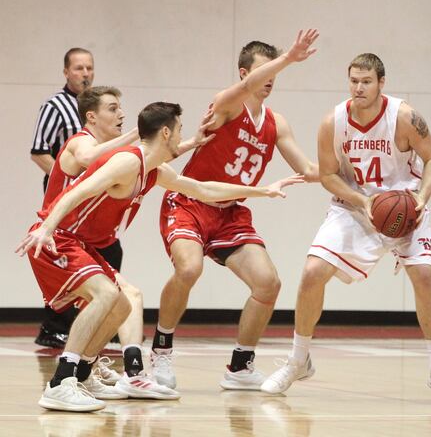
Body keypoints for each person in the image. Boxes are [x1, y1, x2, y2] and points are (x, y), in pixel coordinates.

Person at [17, 100, 305, 412]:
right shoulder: (126, 162)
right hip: (59, 237)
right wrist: (45, 227)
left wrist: (263, 190)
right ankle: (61, 382)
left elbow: (201, 188)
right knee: (105, 294)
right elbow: (76, 192)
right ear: (165, 132)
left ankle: (83, 375)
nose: (183, 137)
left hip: (82, 244)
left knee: (122, 304)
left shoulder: (154, 170)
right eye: (180, 130)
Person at [260, 52, 431, 396]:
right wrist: (363, 201)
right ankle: (298, 360)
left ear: (382, 83)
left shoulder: (405, 117)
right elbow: (327, 175)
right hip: (355, 207)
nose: (359, 87)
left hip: (404, 205)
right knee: (311, 273)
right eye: (353, 80)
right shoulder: (333, 122)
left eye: (366, 81)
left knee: (424, 276)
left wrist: (422, 198)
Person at [150, 30, 320, 391]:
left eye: (275, 71)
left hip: (229, 212)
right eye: (265, 70)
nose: (271, 77)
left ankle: (240, 366)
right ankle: (161, 350)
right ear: (245, 74)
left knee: (268, 283)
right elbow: (241, 91)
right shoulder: (227, 103)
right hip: (190, 202)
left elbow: (307, 170)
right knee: (189, 267)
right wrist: (288, 57)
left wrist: (354, 175)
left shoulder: (277, 123)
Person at [29, 47, 95, 348]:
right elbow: (39, 150)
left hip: (93, 191)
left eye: (89, 68)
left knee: (105, 248)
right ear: (66, 72)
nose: (85, 74)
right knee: (62, 249)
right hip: (64, 191)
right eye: (79, 68)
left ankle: (99, 315)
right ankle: (54, 325)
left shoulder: (96, 107)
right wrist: (65, 178)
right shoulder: (56, 106)